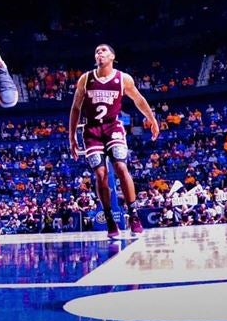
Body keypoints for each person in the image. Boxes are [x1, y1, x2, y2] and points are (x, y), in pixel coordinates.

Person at [68, 44, 159, 239]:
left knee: (120, 167)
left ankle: (133, 214)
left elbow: (139, 100)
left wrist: (152, 119)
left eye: (103, 51)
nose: (99, 53)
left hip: (112, 127)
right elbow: (75, 108)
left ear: (112, 56)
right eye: (96, 51)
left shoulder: (123, 78)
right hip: (91, 130)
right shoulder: (86, 78)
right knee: (100, 174)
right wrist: (71, 136)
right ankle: (110, 219)